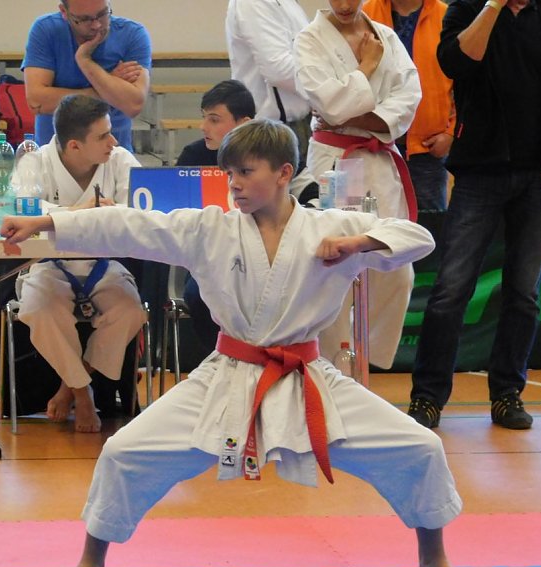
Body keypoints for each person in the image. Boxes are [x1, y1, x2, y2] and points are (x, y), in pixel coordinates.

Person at [0, 119, 474, 567]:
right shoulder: (211, 228)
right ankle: (90, 564)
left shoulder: (332, 227)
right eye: (230, 174)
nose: (235, 184)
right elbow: (128, 224)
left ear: (284, 173)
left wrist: (360, 244)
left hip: (306, 375)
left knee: (420, 448)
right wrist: (48, 223)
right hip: (227, 376)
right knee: (124, 452)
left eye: (246, 172)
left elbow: (418, 236)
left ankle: (433, 560)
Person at [408, 0, 541, 430]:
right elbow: (456, 62)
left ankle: (507, 393)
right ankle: (427, 397)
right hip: (479, 173)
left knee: (524, 293)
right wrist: (494, 4)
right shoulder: (466, 10)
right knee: (450, 290)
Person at [294, 0, 422, 370]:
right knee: (334, 265)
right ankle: (334, 367)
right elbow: (331, 107)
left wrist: (356, 116)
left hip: (380, 162)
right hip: (336, 162)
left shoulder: (387, 38)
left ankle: (369, 359)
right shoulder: (310, 40)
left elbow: (408, 99)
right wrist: (366, 67)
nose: (345, 4)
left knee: (396, 268)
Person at [13, 94, 146, 433]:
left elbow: (142, 210)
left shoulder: (120, 159)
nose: (113, 141)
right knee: (39, 309)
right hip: (47, 264)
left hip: (103, 265)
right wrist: (79, 213)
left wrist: (112, 211)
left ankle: (69, 387)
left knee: (130, 311)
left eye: (111, 132)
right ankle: (83, 393)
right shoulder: (35, 162)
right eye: (103, 136)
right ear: (74, 145)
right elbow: (21, 210)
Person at [176, 80, 320, 352]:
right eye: (203, 118)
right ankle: (223, 356)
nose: (204, 127)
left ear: (243, 123)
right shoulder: (192, 155)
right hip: (213, 254)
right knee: (198, 293)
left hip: (273, 253)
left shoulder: (274, 153)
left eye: (214, 120)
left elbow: (313, 195)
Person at [363, 0, 455, 211]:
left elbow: (465, 81)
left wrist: (451, 133)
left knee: (428, 224)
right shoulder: (366, 14)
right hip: (374, 145)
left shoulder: (446, 16)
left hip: (427, 150)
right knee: (376, 221)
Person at [23, 0, 151, 151]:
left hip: (113, 153)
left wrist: (85, 61)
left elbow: (133, 105)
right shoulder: (46, 30)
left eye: (103, 14)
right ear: (64, 12)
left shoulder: (132, 34)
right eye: (84, 19)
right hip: (56, 154)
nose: (96, 25)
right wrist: (108, 88)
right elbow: (36, 101)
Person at [226, 0, 312, 166]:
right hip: (267, 130)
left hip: (298, 123)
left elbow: (307, 58)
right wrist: (326, 90)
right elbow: (278, 69)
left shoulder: (290, 4)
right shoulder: (253, 3)